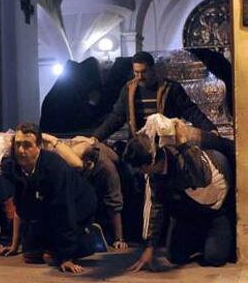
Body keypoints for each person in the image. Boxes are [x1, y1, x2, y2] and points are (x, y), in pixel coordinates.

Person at [0, 123, 102, 273]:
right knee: (29, 253)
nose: (21, 150)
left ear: (39, 146)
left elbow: (65, 212)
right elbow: (19, 207)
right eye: (18, 145)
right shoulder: (13, 167)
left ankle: (87, 235)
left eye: (27, 145)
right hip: (47, 207)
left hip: (78, 205)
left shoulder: (55, 169)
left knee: (56, 254)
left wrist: (66, 257)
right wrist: (15, 245)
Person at [123, 134, 233, 271]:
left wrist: (182, 142)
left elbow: (203, 179)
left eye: (141, 167)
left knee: (215, 257)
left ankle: (212, 237)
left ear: (149, 164)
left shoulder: (185, 160)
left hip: (215, 210)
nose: (140, 171)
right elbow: (154, 207)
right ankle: (198, 238)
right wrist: (149, 246)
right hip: (188, 214)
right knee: (175, 256)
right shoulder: (153, 177)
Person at [76, 51, 217, 145]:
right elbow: (117, 117)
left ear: (153, 69)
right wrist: (96, 138)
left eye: (144, 72)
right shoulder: (129, 89)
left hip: (166, 143)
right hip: (139, 144)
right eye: (136, 72)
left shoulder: (170, 88)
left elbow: (190, 111)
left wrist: (209, 128)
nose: (140, 77)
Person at [42, 133, 127, 249]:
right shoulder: (76, 156)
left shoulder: (108, 170)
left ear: (88, 164)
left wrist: (119, 239)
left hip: (103, 209)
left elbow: (115, 205)